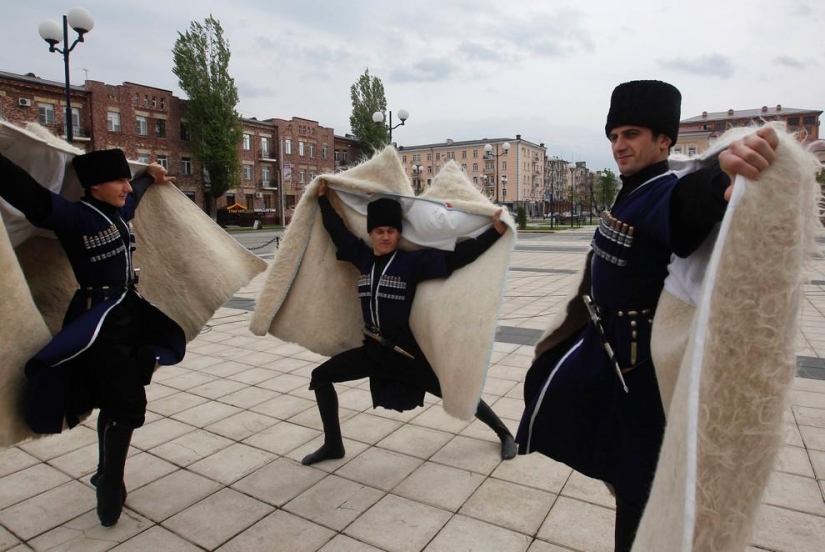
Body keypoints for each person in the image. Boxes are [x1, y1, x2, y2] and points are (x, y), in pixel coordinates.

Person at [515, 80, 779, 552]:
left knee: (640, 495)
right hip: (608, 357)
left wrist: (723, 174)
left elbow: (687, 202)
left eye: (631, 134)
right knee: (602, 458)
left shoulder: (660, 190)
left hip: (639, 378)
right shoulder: (631, 190)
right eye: (613, 136)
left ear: (663, 140)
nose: (619, 146)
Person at [0, 149, 186, 527]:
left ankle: (104, 471)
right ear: (95, 186)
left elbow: (135, 194)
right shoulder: (75, 216)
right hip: (98, 321)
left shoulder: (117, 211)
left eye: (124, 180)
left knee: (114, 401)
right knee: (129, 407)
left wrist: (149, 175)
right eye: (118, 181)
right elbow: (29, 195)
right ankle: (110, 485)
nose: (124, 188)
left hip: (129, 315)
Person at [301, 182, 518, 466]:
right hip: (373, 351)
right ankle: (333, 444)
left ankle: (505, 435)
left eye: (391, 231)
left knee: (456, 393)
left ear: (398, 233)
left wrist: (493, 234)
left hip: (406, 355)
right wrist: (322, 200)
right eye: (380, 231)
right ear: (371, 234)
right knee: (320, 377)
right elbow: (337, 231)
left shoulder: (411, 262)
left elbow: (458, 258)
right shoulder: (363, 257)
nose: (386, 236)